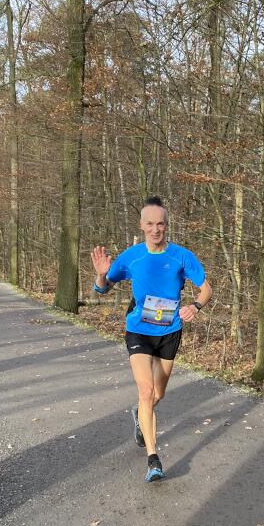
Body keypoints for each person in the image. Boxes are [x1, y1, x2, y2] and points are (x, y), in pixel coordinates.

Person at [90, 196, 212, 482]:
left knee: (158, 394)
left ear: (166, 225)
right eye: (150, 224)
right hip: (139, 331)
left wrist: (195, 306)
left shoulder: (181, 256)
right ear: (141, 225)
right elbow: (102, 289)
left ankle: (139, 416)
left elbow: (206, 289)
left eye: (161, 224)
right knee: (146, 391)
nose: (155, 229)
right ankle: (153, 459)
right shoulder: (132, 256)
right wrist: (101, 276)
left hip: (169, 331)